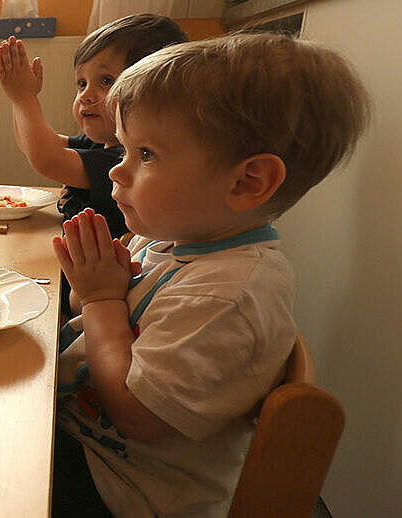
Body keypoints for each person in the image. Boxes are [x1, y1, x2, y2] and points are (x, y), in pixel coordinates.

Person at [51, 33, 369, 517]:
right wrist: (91, 290)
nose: (116, 172)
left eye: (146, 155)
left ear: (247, 182)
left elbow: (137, 415)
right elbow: (91, 317)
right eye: (124, 151)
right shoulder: (170, 238)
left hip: (127, 490)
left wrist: (100, 301)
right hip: (90, 438)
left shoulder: (229, 296)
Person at [0, 14, 186, 239]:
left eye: (106, 81)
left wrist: (24, 98)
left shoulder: (126, 159)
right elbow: (34, 145)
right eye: (82, 83)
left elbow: (48, 158)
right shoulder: (102, 141)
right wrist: (17, 97)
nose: (85, 95)